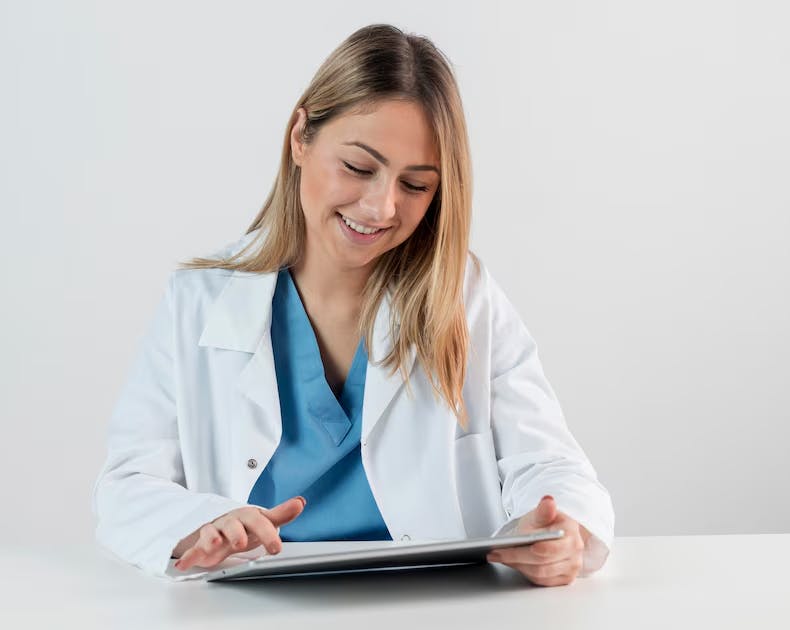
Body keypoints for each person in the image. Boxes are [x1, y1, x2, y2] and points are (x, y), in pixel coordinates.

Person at [92, 23, 615, 587]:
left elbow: (552, 464)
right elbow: (126, 486)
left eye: (415, 185)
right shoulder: (198, 302)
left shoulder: (464, 296)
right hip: (254, 609)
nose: (381, 207)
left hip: (437, 606)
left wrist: (563, 531)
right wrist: (205, 521)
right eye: (359, 168)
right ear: (300, 136)